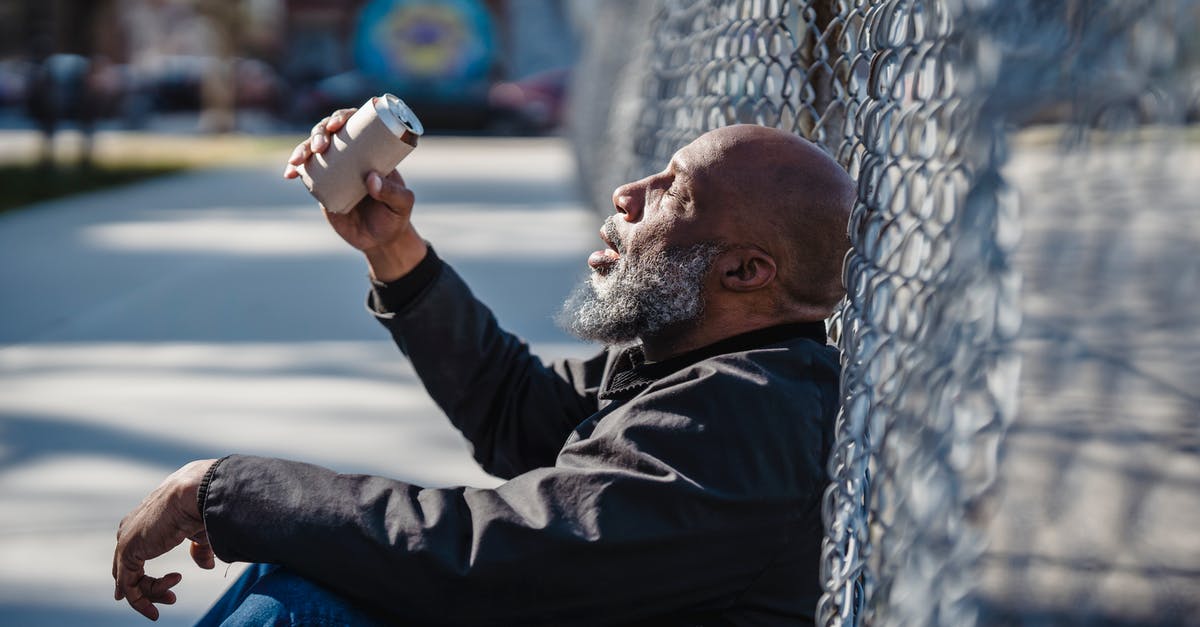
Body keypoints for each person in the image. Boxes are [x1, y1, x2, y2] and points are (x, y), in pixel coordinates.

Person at [111, 113, 855, 626]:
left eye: (675, 193)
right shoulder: (701, 363)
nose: (630, 195)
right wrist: (394, 253)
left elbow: (490, 559)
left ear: (747, 271)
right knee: (296, 577)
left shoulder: (743, 415)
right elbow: (519, 415)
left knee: (302, 602)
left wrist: (227, 489)